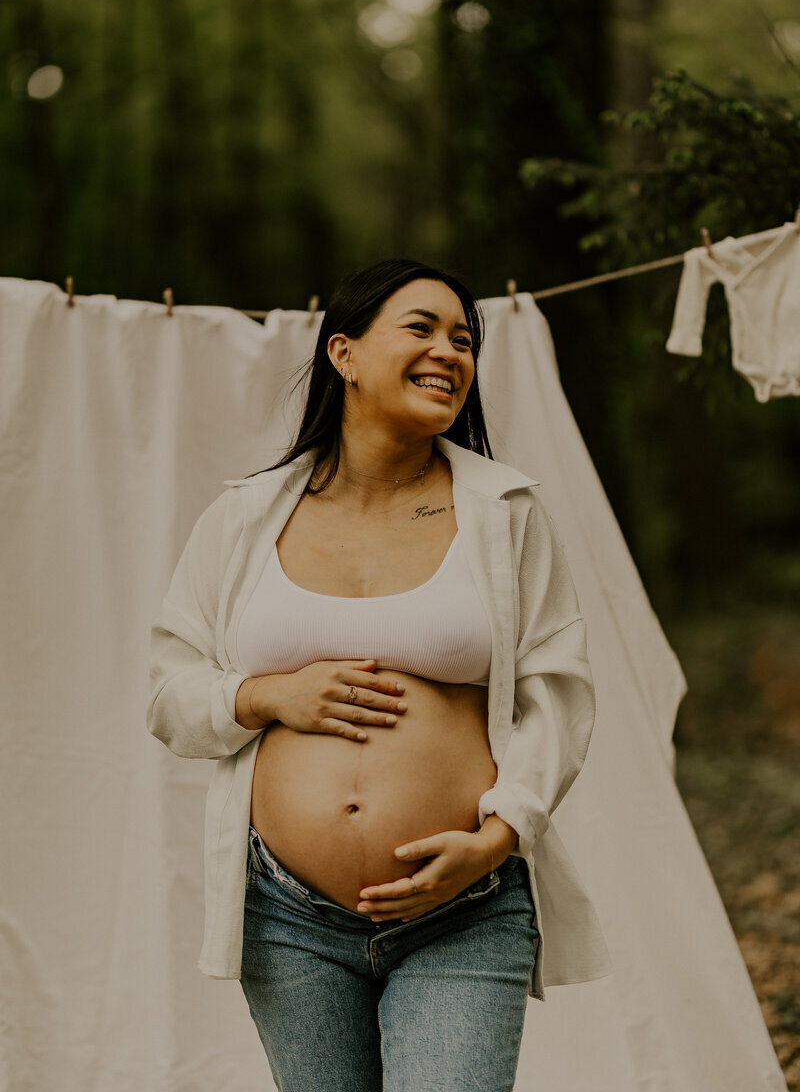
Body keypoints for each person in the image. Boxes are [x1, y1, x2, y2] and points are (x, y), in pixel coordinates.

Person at [147, 258, 611, 1092]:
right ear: (344, 354)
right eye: (422, 328)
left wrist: (499, 838)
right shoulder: (247, 516)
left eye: (464, 339)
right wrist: (265, 695)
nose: (450, 352)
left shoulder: (506, 512)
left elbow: (560, 694)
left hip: (463, 908)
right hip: (286, 918)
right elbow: (170, 691)